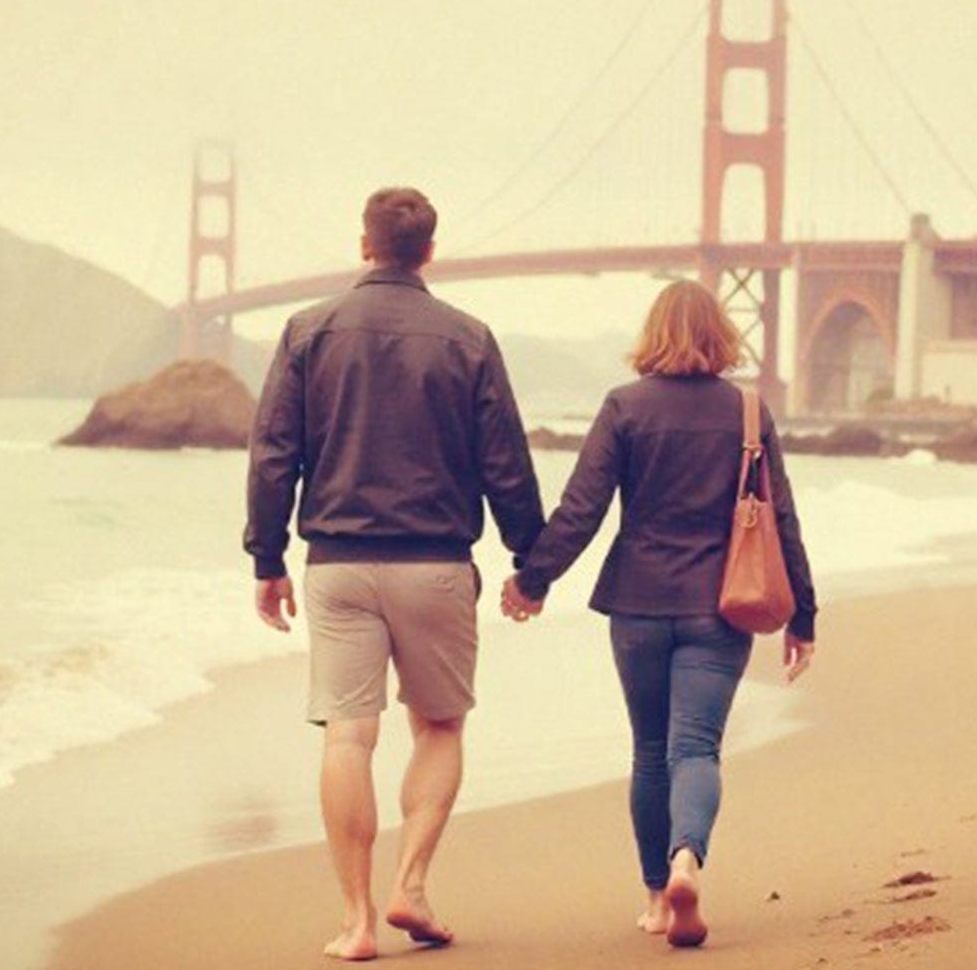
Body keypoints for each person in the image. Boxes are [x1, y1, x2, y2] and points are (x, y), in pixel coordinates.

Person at [245, 186, 545, 961]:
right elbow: (504, 462)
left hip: (338, 565)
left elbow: (275, 452)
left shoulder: (308, 330)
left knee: (348, 737)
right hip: (436, 564)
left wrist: (267, 556)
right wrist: (530, 562)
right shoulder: (468, 337)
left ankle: (356, 923)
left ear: (365, 244)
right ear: (429, 251)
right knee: (439, 726)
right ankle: (410, 883)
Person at [501, 279, 817, 950]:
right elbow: (780, 517)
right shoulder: (749, 414)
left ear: (652, 334)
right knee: (695, 748)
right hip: (721, 608)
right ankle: (686, 862)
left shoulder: (624, 407)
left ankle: (653, 897)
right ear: (720, 336)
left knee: (649, 752)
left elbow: (581, 509)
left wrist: (534, 579)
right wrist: (804, 616)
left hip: (639, 606)